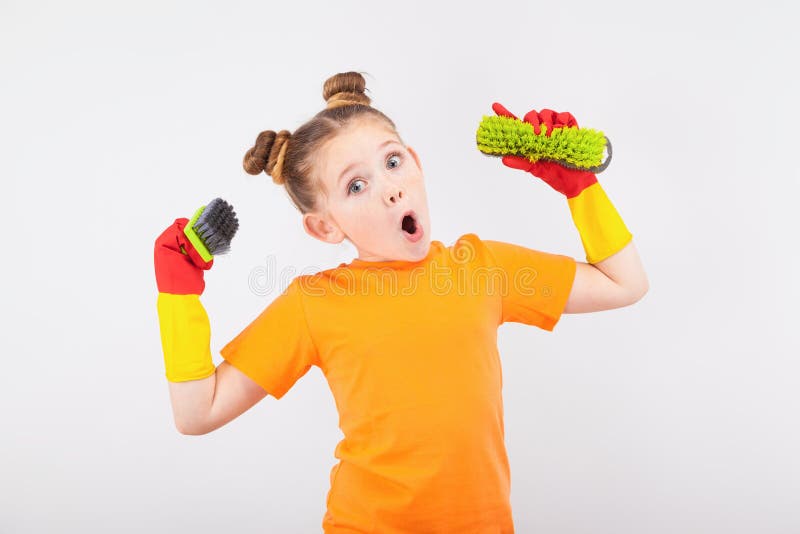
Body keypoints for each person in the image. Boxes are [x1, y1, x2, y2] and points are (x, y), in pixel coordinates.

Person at [154, 71, 649, 533]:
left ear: (417, 163)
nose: (390, 189)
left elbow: (624, 283)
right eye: (356, 185)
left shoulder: (483, 268)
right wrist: (179, 294)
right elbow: (198, 413)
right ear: (325, 226)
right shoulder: (315, 303)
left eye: (393, 162)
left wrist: (580, 188)